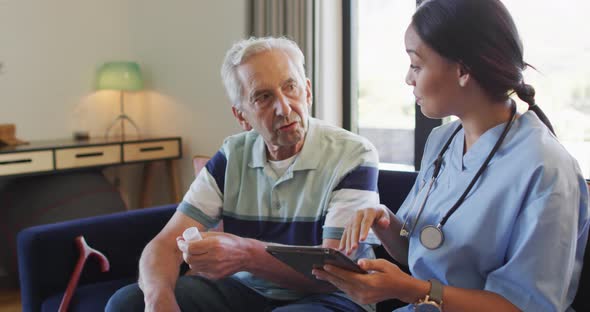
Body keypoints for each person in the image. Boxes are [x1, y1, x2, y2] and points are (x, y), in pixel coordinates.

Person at [312, 0, 590, 311]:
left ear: (462, 70)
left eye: (416, 65)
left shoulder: (547, 170)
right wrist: (384, 221)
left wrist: (413, 291)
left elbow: (526, 306)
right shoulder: (443, 140)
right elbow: (422, 247)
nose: (408, 78)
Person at [106, 36, 381, 312]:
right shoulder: (232, 155)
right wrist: (158, 299)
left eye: (291, 88)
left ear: (307, 92)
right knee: (126, 303)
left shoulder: (353, 155)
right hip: (247, 289)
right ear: (241, 116)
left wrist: (246, 255)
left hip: (334, 295)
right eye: (263, 97)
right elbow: (165, 245)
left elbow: (331, 273)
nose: (284, 108)